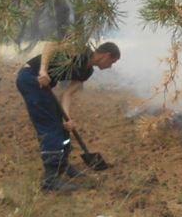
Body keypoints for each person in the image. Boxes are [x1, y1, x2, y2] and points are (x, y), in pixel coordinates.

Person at [16, 41, 121, 192]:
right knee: (50, 127)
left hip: (43, 85)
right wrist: (43, 71)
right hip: (31, 78)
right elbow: (50, 45)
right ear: (106, 55)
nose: (111, 66)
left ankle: (63, 165)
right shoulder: (80, 51)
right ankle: (50, 180)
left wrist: (68, 119)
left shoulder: (87, 72)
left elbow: (67, 94)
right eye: (113, 61)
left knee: (62, 126)